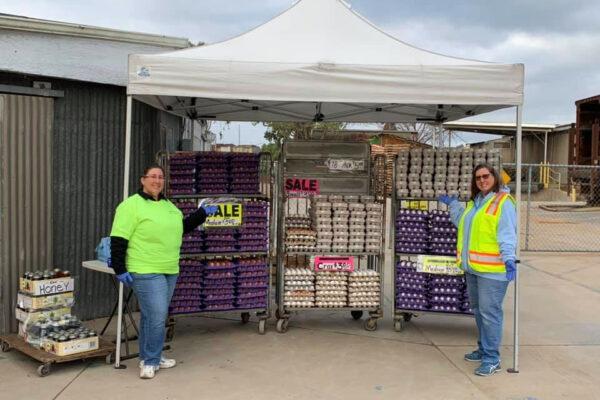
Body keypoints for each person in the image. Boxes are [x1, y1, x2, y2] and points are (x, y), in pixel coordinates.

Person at [109, 164, 217, 379]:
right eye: (152, 177)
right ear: (143, 180)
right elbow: (119, 238)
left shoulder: (169, 206)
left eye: (160, 177)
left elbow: (182, 228)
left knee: (152, 316)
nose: (157, 181)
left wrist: (201, 214)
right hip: (145, 269)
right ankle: (150, 361)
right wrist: (119, 268)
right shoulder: (131, 205)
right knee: (158, 316)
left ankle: (151, 356)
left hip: (169, 268)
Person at [439, 163, 517, 377]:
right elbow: (462, 224)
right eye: (478, 178)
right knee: (479, 311)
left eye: (486, 176)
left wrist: (509, 258)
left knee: (490, 314)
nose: (482, 180)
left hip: (493, 271)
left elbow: (508, 234)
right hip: (473, 268)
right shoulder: (476, 203)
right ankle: (483, 349)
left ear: (495, 177)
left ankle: (492, 359)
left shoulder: (503, 202)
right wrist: (454, 205)